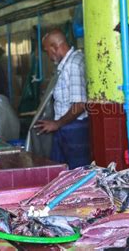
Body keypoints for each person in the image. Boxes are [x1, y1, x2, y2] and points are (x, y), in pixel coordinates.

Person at [33, 29, 90, 169]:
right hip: (65, 126)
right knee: (59, 171)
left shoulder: (73, 64)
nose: (48, 56)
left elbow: (80, 104)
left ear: (54, 47)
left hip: (74, 128)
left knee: (76, 172)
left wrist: (57, 123)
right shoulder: (64, 64)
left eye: (47, 51)